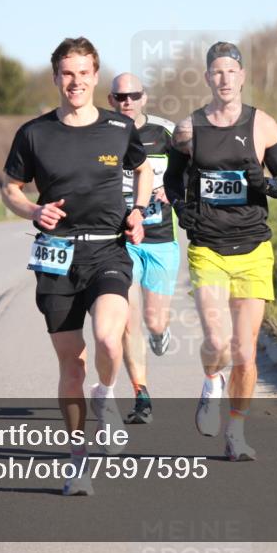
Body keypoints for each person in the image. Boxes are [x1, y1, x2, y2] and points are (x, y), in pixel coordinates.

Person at [1, 37, 153, 496]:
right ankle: (76, 462)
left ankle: (105, 397)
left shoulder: (117, 128)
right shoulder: (34, 134)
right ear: (56, 78)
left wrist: (138, 210)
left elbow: (144, 169)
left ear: (95, 76)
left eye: (84, 73)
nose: (76, 82)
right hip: (56, 256)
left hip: (107, 249)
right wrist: (32, 211)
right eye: (68, 73)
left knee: (109, 336)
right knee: (72, 366)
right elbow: (10, 187)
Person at [163, 42, 277, 461]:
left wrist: (267, 185)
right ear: (207, 78)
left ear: (242, 76)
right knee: (217, 341)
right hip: (209, 248)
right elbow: (171, 179)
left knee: (244, 350)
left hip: (254, 248)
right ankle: (209, 381)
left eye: (231, 71)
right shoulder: (189, 130)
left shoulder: (263, 126)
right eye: (216, 72)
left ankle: (236, 432)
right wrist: (182, 209)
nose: (224, 79)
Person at [107, 73, 179, 425]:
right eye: (120, 97)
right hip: (123, 241)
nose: (127, 102)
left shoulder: (164, 132)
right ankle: (141, 395)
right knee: (127, 319)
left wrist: (175, 189)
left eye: (133, 95)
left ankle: (161, 330)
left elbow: (192, 167)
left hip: (161, 238)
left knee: (153, 319)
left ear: (144, 98)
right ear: (111, 101)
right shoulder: (104, 132)